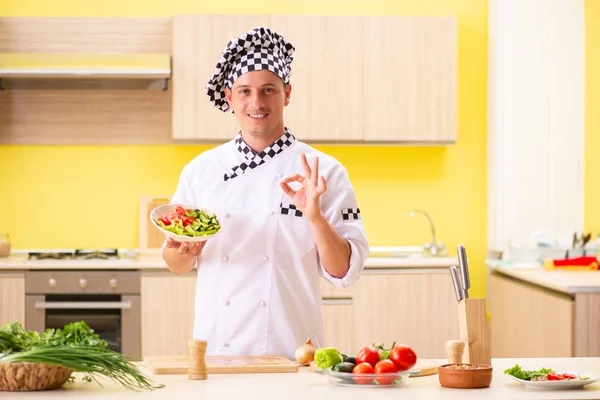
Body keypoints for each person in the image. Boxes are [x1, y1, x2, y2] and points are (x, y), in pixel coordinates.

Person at [161, 26, 369, 360]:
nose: (256, 102)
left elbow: (346, 271)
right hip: (216, 349)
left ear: (287, 94)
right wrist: (186, 250)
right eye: (244, 91)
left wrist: (315, 218)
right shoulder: (202, 170)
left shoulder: (324, 171)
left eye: (268, 90)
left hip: (294, 350)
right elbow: (175, 263)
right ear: (229, 98)